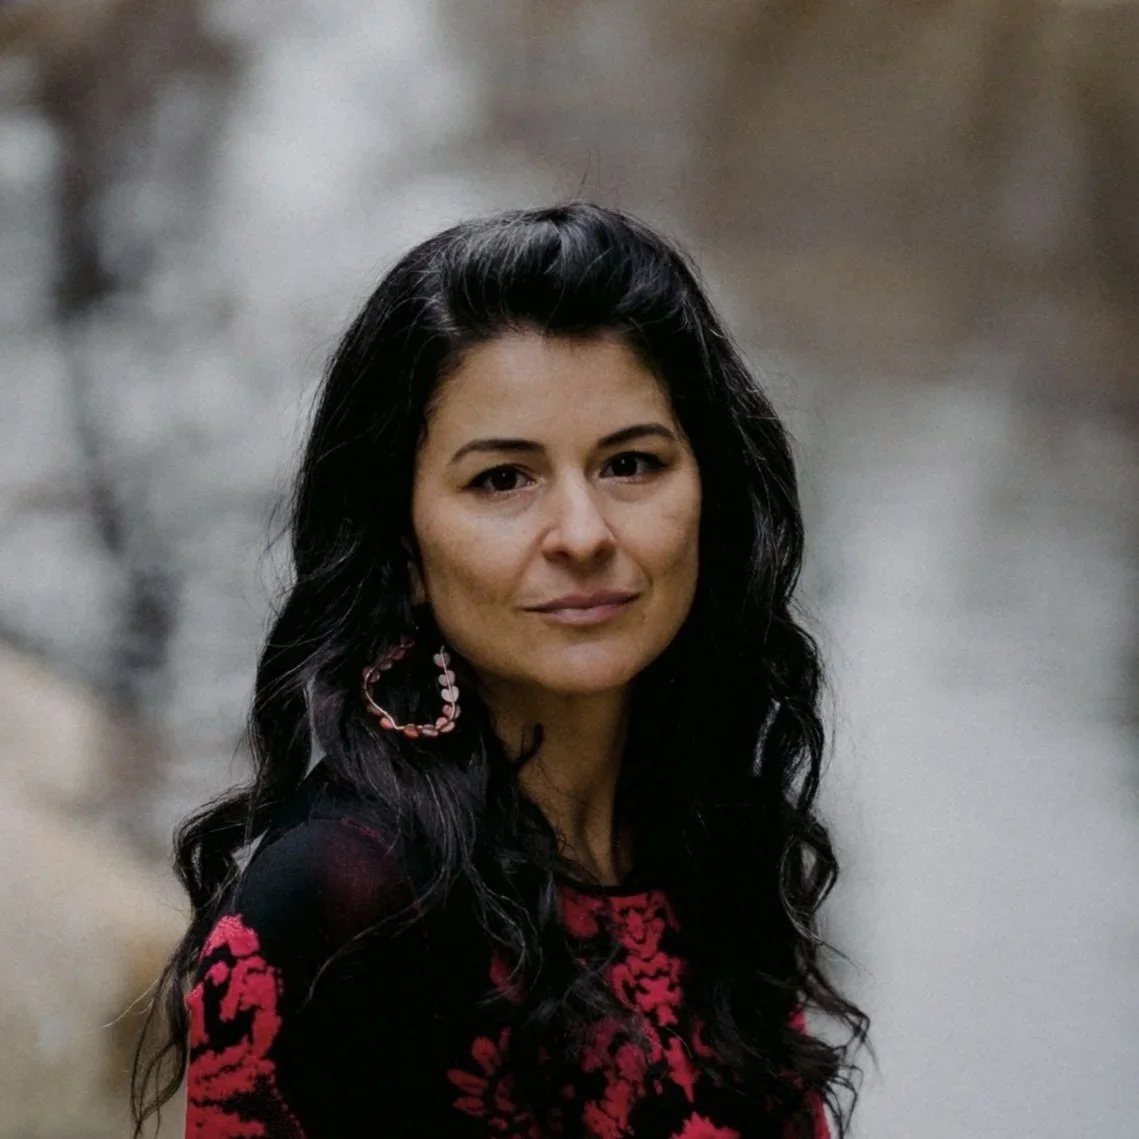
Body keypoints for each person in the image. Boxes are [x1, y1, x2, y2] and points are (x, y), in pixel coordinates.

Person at [132, 202, 868, 1139]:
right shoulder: (340, 901)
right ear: (402, 546)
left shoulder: (706, 830)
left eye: (630, 463)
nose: (582, 534)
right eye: (502, 479)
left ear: (708, 495)